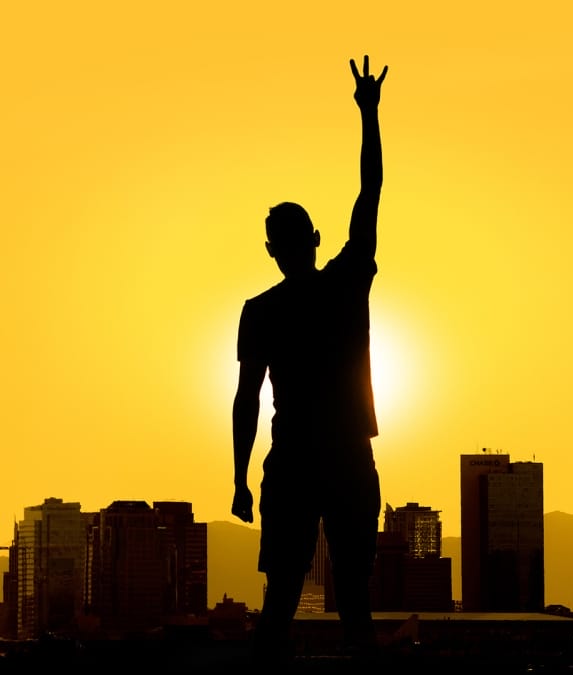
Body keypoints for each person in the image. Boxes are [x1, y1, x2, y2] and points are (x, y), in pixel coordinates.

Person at [230, 54, 387, 662]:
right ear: (314, 241)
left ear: (273, 250)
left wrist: (239, 476)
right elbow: (370, 192)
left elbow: (247, 399)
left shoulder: (262, 309)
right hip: (340, 452)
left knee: (285, 595)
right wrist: (369, 116)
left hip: (297, 456)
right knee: (353, 598)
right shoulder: (345, 282)